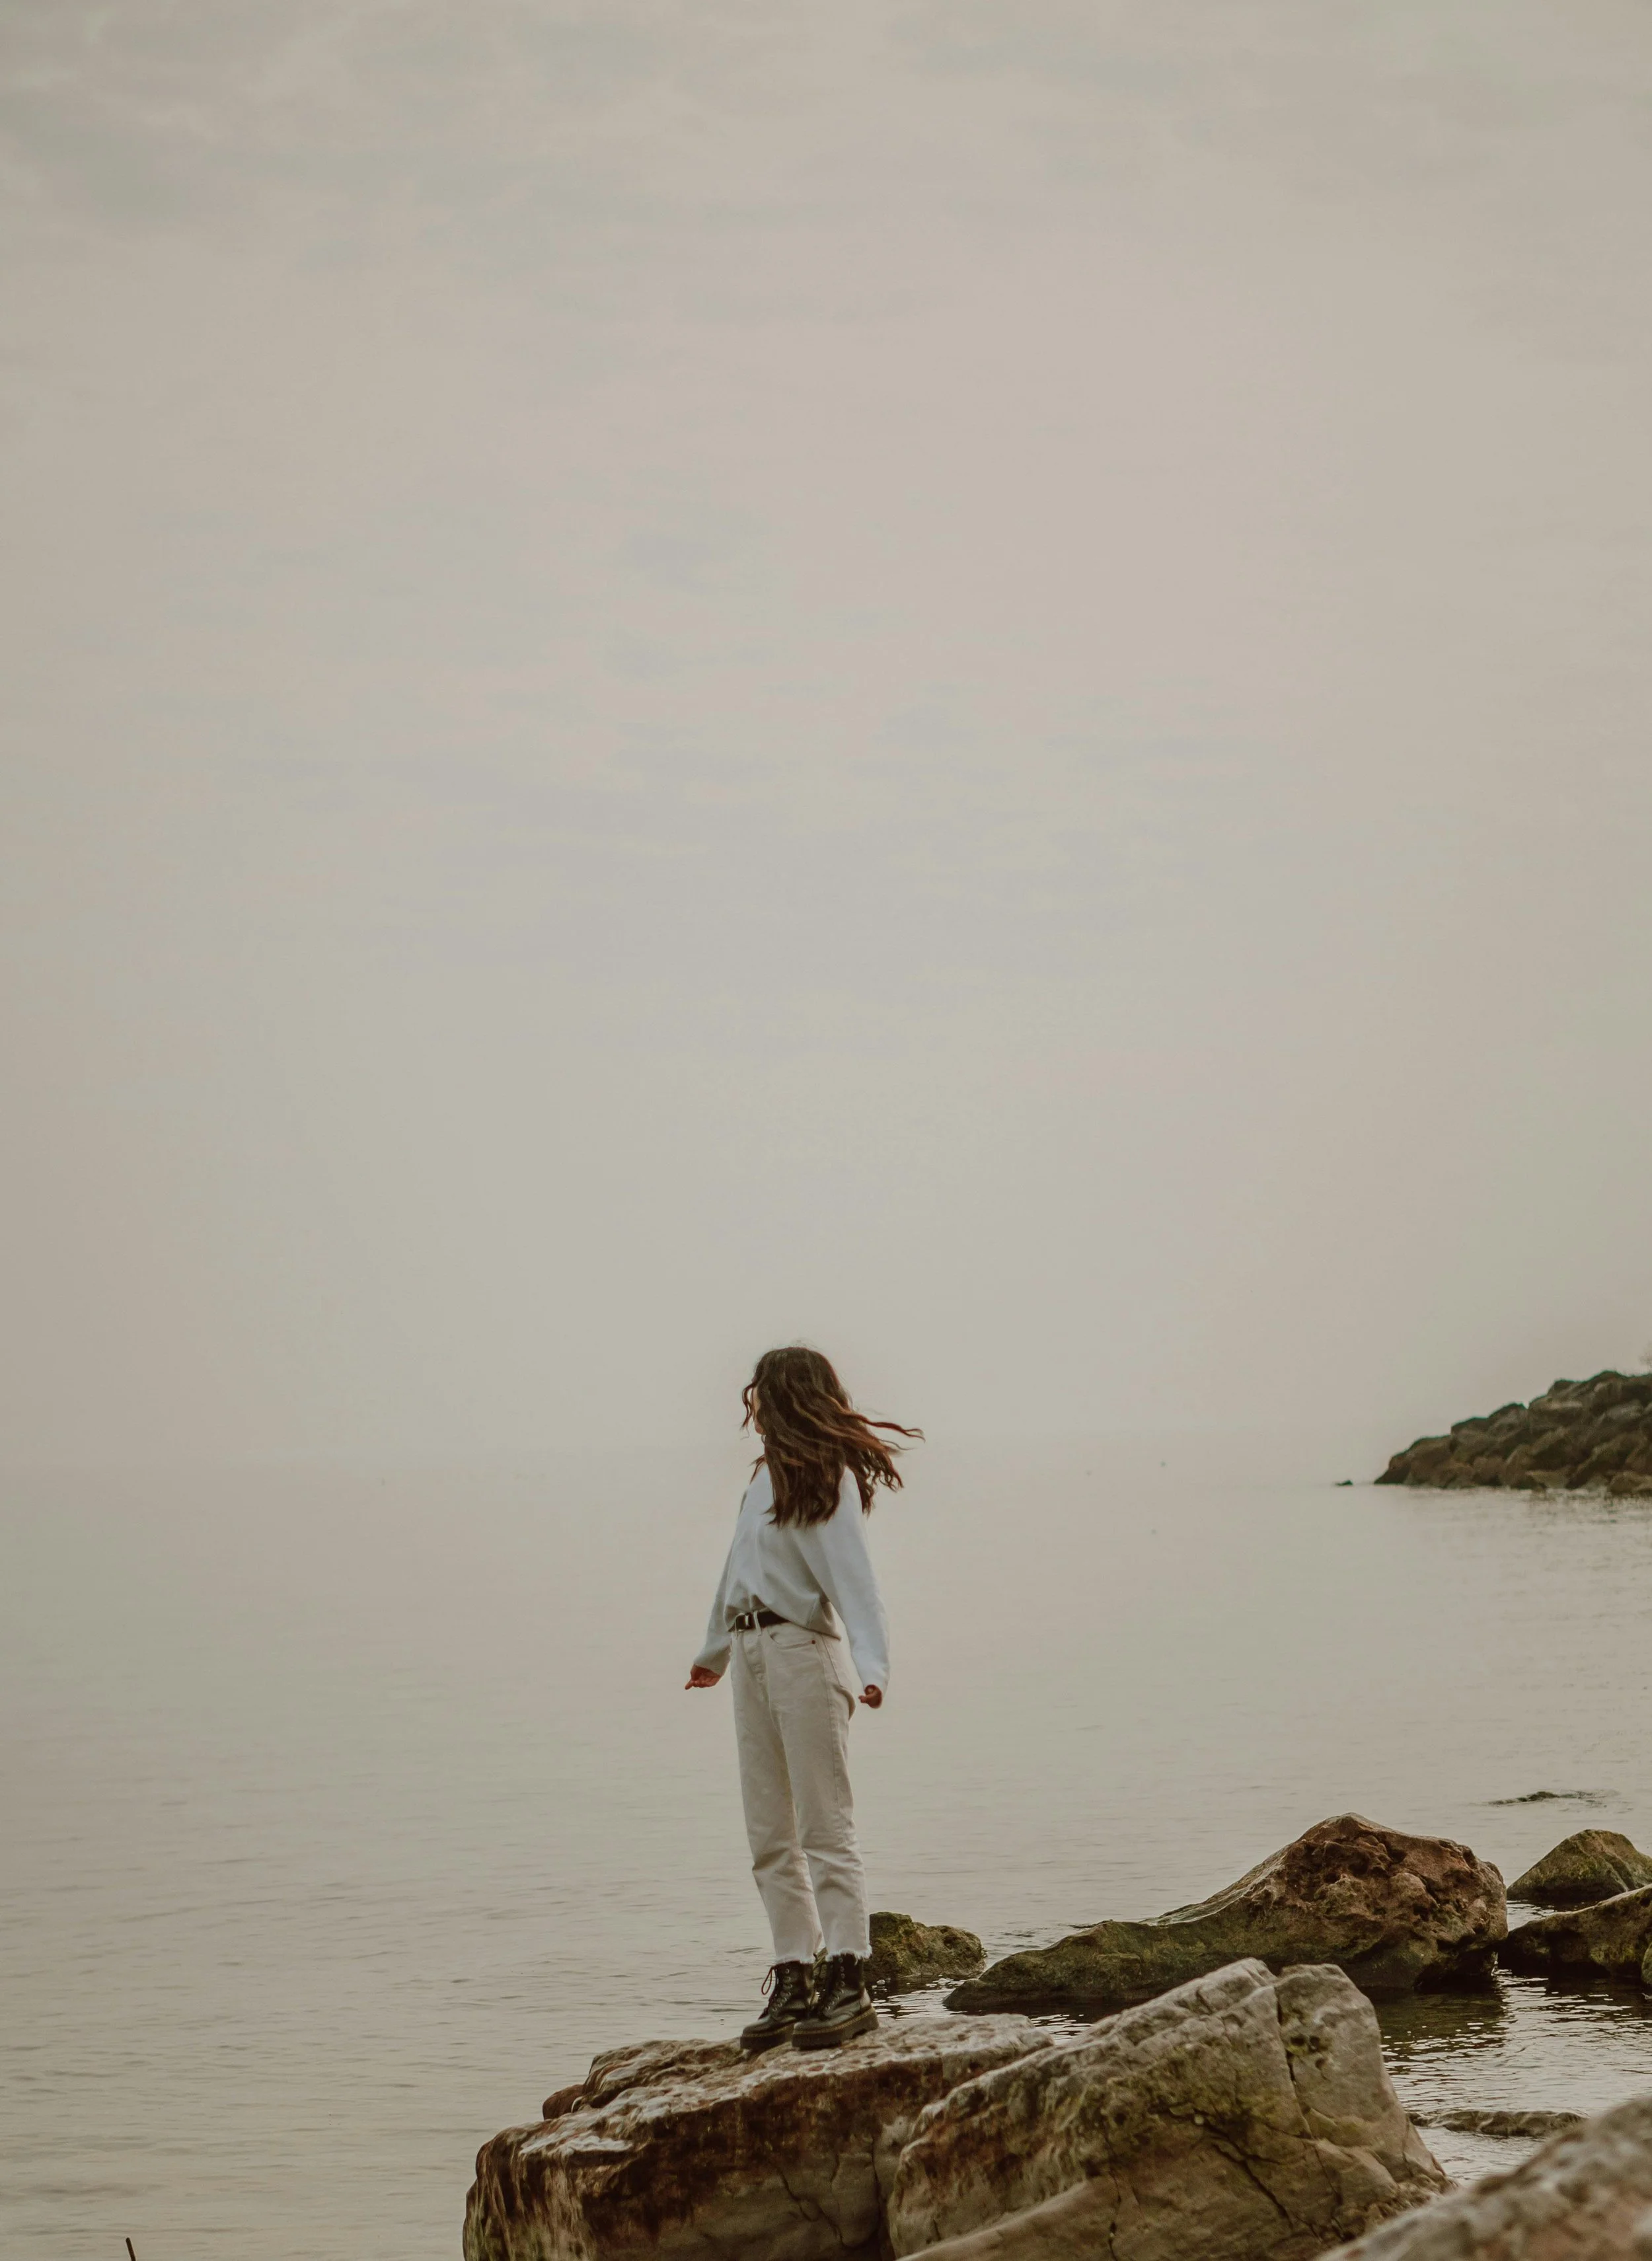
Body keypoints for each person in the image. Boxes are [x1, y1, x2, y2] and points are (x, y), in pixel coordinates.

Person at [686, 1345, 920, 2052]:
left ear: (783, 1393)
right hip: (753, 1651)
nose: (747, 1396)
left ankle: (847, 1976)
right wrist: (713, 1653)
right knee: (767, 1832)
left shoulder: (829, 1476)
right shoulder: (759, 1481)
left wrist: (873, 1664)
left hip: (803, 1653)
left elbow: (855, 1576)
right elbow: (736, 1570)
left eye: (756, 1385)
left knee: (825, 1823)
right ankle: (793, 1973)